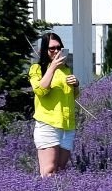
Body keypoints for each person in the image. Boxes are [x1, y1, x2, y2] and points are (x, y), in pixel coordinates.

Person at [29, 31, 79, 176]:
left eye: (59, 48)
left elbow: (73, 95)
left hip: (67, 125)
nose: (56, 51)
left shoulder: (66, 69)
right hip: (48, 124)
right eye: (52, 48)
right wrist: (52, 68)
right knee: (49, 171)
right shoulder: (37, 69)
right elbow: (40, 90)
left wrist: (76, 85)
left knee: (60, 170)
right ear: (44, 50)